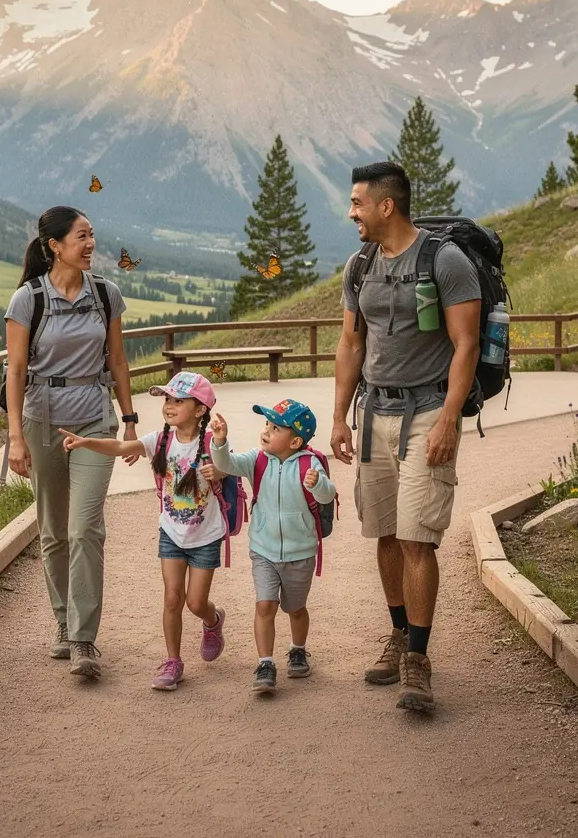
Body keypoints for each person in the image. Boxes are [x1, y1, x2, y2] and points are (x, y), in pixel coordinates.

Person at [330, 162, 480, 713]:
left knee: (419, 537)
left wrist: (448, 419)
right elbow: (351, 345)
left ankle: (418, 659)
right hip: (373, 413)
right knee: (387, 534)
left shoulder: (446, 262)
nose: (352, 214)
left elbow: (465, 345)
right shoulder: (359, 265)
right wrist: (340, 415)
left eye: (357, 204)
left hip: (428, 412)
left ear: (385, 206)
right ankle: (398, 636)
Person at [4, 206, 139, 680]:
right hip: (42, 423)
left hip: (94, 424)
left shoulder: (106, 293)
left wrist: (129, 422)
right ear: (54, 245)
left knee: (86, 529)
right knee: (53, 532)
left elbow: (118, 361)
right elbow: (16, 370)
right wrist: (15, 436)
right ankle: (62, 624)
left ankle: (84, 638)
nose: (90, 244)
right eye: (81, 236)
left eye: (92, 236)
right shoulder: (28, 300)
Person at [60, 371, 229, 691]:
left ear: (200, 409)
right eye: (167, 399)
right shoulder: (160, 440)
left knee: (195, 603)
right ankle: (173, 660)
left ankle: (213, 620)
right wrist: (86, 443)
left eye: (179, 401)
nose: (169, 406)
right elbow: (121, 446)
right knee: (172, 598)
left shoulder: (209, 441)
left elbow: (226, 466)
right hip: (171, 532)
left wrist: (219, 451)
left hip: (205, 536)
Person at [208, 399, 335, 695]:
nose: (266, 431)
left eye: (275, 427)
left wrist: (317, 484)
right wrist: (220, 441)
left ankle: (298, 649)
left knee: (296, 608)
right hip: (263, 549)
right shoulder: (257, 459)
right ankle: (265, 663)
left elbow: (328, 495)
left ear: (295, 440)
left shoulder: (309, 462)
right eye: (266, 424)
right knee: (265, 604)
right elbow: (226, 464)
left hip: (300, 552)